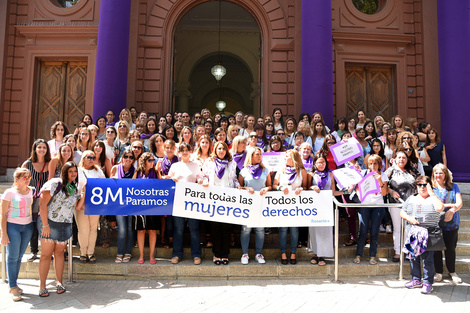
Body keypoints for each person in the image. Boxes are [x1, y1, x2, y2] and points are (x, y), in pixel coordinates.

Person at [37, 162, 84, 297]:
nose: (73, 174)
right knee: (46, 255)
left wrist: (84, 193)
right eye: (70, 171)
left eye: (75, 171)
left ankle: (59, 282)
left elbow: (76, 207)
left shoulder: (72, 187)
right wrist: (45, 225)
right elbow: (42, 205)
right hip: (49, 223)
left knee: (59, 254)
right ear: (64, 171)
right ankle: (42, 286)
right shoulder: (54, 183)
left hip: (64, 225)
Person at [400, 176, 444, 294]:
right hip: (413, 232)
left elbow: (440, 208)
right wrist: (410, 218)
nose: (422, 187)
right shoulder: (411, 198)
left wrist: (432, 193)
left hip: (428, 232)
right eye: (420, 185)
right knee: (413, 257)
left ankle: (427, 282)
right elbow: (402, 212)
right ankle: (416, 280)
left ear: (430, 185)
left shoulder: (434, 198)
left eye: (425, 185)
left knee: (427, 259)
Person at [201, 141, 239, 265]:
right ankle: (217, 254)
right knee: (216, 228)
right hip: (214, 199)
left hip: (228, 199)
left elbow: (234, 180)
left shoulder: (232, 163)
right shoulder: (209, 163)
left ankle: (225, 254)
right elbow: (205, 176)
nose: (221, 151)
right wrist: (205, 181)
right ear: (215, 150)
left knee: (227, 228)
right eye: (219, 149)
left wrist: (239, 187)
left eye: (223, 148)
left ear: (226, 151)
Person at [1, 168, 34, 301]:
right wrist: (3, 233)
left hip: (28, 226)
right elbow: (2, 214)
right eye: (24, 178)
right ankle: (13, 286)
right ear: (16, 179)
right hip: (13, 226)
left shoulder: (31, 191)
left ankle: (14, 283)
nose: (27, 180)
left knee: (20, 256)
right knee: (12, 256)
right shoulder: (9, 193)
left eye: (29, 177)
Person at [168, 143, 203, 265]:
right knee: (178, 229)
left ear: (190, 151)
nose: (185, 152)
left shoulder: (195, 165)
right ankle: (177, 254)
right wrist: (170, 178)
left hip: (192, 201)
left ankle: (196, 255)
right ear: (179, 152)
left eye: (187, 150)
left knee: (194, 228)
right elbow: (169, 180)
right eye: (182, 150)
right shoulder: (175, 166)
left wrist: (200, 181)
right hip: (178, 201)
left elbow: (200, 178)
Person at [272, 149, 308, 265]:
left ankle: (293, 253)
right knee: (282, 229)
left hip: (296, 205)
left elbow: (306, 187)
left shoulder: (302, 171)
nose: (284, 158)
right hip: (282, 204)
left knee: (294, 229)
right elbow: (274, 185)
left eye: (286, 156)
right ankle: (283, 253)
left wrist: (301, 189)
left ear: (293, 158)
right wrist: (280, 188)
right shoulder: (281, 170)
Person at [238, 147, 271, 264]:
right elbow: (239, 187)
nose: (260, 156)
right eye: (257, 154)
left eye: (261, 154)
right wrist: (246, 188)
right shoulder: (244, 171)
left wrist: (267, 189)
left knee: (260, 230)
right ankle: (245, 254)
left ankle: (259, 253)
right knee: (246, 230)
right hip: (247, 205)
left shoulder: (265, 170)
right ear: (251, 156)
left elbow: (270, 186)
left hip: (261, 204)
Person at [353, 155, 389, 265]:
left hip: (378, 206)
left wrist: (379, 180)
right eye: (370, 163)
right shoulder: (363, 173)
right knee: (362, 231)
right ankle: (358, 254)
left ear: (379, 164)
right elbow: (357, 188)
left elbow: (384, 193)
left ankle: (372, 256)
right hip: (365, 205)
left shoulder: (383, 175)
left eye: (375, 163)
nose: (373, 166)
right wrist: (359, 196)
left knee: (374, 231)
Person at [385, 150, 419, 262]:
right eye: (399, 157)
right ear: (395, 159)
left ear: (407, 159)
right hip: (395, 203)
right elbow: (383, 185)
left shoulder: (412, 170)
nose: (401, 160)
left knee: (410, 228)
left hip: (411, 204)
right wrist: (391, 191)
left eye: (403, 158)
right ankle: (398, 252)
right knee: (398, 228)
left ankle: (409, 251)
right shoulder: (390, 171)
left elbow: (420, 183)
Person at [432, 164, 463, 284]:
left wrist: (452, 209)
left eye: (441, 173)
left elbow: (459, 203)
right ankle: (438, 272)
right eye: (436, 173)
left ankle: (452, 272)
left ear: (445, 174)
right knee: (436, 249)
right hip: (435, 223)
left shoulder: (453, 187)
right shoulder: (431, 188)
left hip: (451, 224)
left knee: (450, 248)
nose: (438, 175)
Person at [308, 155, 342, 266]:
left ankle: (322, 255)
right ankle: (315, 253)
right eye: (319, 162)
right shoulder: (311, 174)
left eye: (323, 162)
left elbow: (333, 191)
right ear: (315, 164)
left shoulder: (331, 174)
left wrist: (346, 192)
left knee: (325, 231)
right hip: (314, 207)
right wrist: (312, 187)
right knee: (314, 230)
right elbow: (306, 187)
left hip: (326, 206)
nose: (321, 164)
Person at [21, 139, 51, 262]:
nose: (41, 150)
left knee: (45, 224)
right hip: (31, 200)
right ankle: (33, 251)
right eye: (39, 147)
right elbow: (21, 181)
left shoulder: (50, 164)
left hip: (46, 200)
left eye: (44, 147)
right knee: (32, 225)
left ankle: (47, 252)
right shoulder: (28, 165)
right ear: (35, 149)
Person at [76, 151, 106, 263]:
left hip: (95, 203)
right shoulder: (78, 171)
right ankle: (83, 252)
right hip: (81, 203)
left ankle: (90, 252)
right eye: (89, 157)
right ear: (83, 158)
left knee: (93, 229)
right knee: (84, 229)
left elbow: (105, 185)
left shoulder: (98, 171)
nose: (91, 159)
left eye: (93, 157)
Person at [132, 152, 159, 264]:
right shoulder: (137, 172)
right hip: (140, 206)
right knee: (141, 230)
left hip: (153, 205)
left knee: (152, 230)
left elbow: (162, 186)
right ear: (144, 161)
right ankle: (141, 255)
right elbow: (131, 188)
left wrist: (159, 171)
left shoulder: (156, 172)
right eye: (150, 160)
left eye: (153, 160)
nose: (153, 162)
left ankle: (152, 255)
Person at [110, 147, 135, 263]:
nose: (128, 159)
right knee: (122, 229)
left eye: (131, 157)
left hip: (131, 204)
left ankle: (128, 252)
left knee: (130, 228)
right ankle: (120, 252)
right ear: (122, 157)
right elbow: (109, 187)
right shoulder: (115, 168)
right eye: (126, 156)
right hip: (118, 204)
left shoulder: (135, 171)